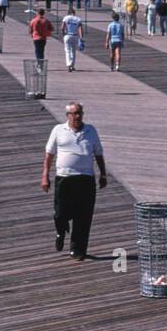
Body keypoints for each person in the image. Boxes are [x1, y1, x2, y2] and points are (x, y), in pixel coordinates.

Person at [41, 101, 107, 261]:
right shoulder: (58, 130)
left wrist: (103, 174)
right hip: (64, 177)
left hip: (85, 178)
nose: (78, 116)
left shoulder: (91, 130)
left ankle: (78, 250)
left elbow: (98, 153)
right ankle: (60, 231)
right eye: (74, 113)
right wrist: (45, 176)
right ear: (68, 116)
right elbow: (49, 154)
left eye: (80, 113)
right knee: (60, 213)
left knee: (84, 215)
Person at [61, 6, 83, 71]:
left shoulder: (66, 18)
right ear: (74, 13)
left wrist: (63, 34)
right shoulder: (78, 19)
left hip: (68, 35)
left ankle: (69, 65)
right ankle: (72, 65)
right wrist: (81, 38)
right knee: (73, 51)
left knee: (67, 51)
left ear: (69, 13)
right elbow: (80, 29)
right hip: (75, 36)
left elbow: (62, 28)